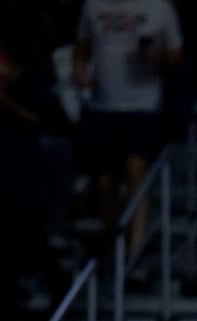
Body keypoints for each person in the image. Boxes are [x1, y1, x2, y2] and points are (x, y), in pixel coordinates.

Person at [73, 0, 182, 256]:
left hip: (143, 104)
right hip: (103, 105)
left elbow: (176, 56)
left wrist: (158, 56)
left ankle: (137, 243)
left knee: (136, 167)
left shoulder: (160, 8)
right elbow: (82, 46)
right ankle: (115, 239)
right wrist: (80, 69)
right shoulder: (92, 6)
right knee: (104, 183)